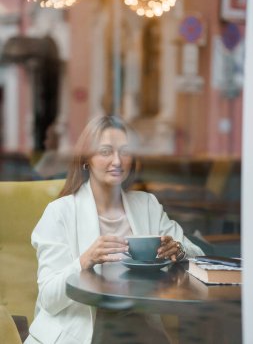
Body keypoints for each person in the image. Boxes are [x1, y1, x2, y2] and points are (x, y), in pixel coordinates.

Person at [24, 115, 204, 344]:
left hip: (138, 330)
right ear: (86, 159)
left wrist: (179, 251)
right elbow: (49, 298)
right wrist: (84, 260)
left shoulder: (146, 204)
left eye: (125, 151)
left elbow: (200, 259)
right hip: (80, 332)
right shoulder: (60, 212)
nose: (117, 161)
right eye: (106, 151)